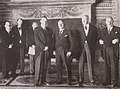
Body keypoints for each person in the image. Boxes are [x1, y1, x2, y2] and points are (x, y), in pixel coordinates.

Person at [99, 17, 120, 87]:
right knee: (106, 65)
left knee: (114, 65)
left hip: (114, 49)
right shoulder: (103, 30)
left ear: (113, 21)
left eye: (111, 21)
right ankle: (107, 81)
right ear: (106, 22)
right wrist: (100, 41)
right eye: (108, 21)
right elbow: (100, 38)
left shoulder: (117, 29)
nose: (109, 22)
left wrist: (118, 40)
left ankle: (115, 81)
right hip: (105, 49)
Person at [77, 15, 98, 87]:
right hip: (81, 47)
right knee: (81, 63)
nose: (84, 21)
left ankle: (91, 79)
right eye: (83, 20)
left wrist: (93, 46)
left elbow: (96, 39)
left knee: (90, 62)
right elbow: (77, 39)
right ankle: (80, 78)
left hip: (90, 47)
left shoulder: (93, 28)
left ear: (88, 20)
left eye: (85, 20)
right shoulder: (79, 28)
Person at [34, 16, 54, 86]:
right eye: (43, 21)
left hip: (47, 51)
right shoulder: (36, 30)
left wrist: (49, 47)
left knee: (45, 67)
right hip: (40, 51)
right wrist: (43, 47)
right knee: (38, 67)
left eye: (46, 21)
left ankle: (43, 80)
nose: (44, 22)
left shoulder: (49, 30)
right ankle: (36, 81)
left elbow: (51, 40)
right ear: (40, 21)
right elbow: (37, 41)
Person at [53, 20, 73, 85]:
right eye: (59, 24)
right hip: (57, 51)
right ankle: (59, 79)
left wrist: (70, 51)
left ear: (64, 24)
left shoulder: (68, 32)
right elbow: (53, 42)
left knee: (67, 66)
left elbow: (73, 43)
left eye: (62, 24)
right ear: (57, 25)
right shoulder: (56, 32)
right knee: (58, 66)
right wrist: (54, 50)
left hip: (66, 51)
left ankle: (69, 81)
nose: (60, 25)